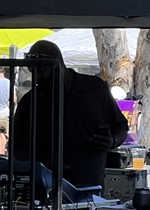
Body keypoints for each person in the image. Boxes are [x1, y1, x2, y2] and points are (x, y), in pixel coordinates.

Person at [12, 39, 129, 191]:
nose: (37, 77)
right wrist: (42, 164)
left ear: (57, 64)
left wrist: (112, 141)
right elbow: (17, 149)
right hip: (46, 187)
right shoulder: (30, 101)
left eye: (41, 71)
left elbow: (121, 126)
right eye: (32, 72)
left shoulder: (94, 89)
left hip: (90, 185)